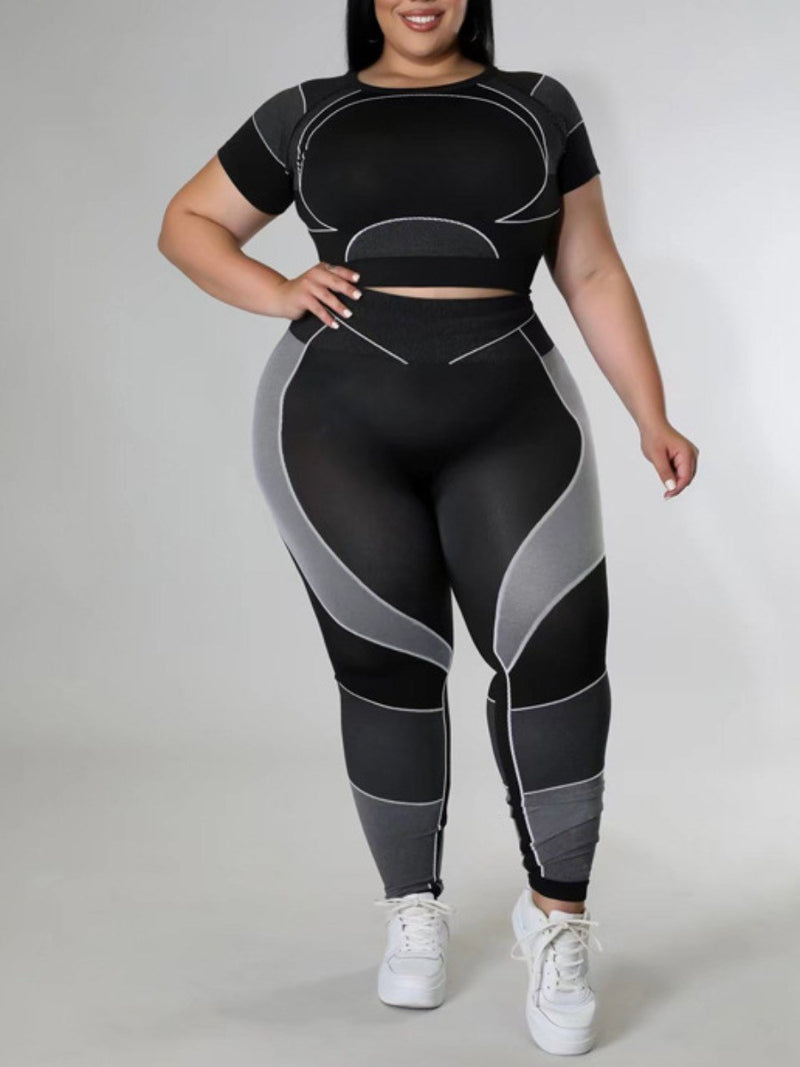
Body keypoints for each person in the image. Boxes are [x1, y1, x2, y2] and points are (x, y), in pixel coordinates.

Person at [157, 0, 699, 1054]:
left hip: (512, 416)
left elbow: (589, 268)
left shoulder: (537, 106)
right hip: (332, 424)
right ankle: (411, 906)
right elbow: (187, 222)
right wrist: (276, 289)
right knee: (386, 663)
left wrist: (651, 413)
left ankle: (557, 918)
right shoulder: (305, 112)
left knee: (558, 653)